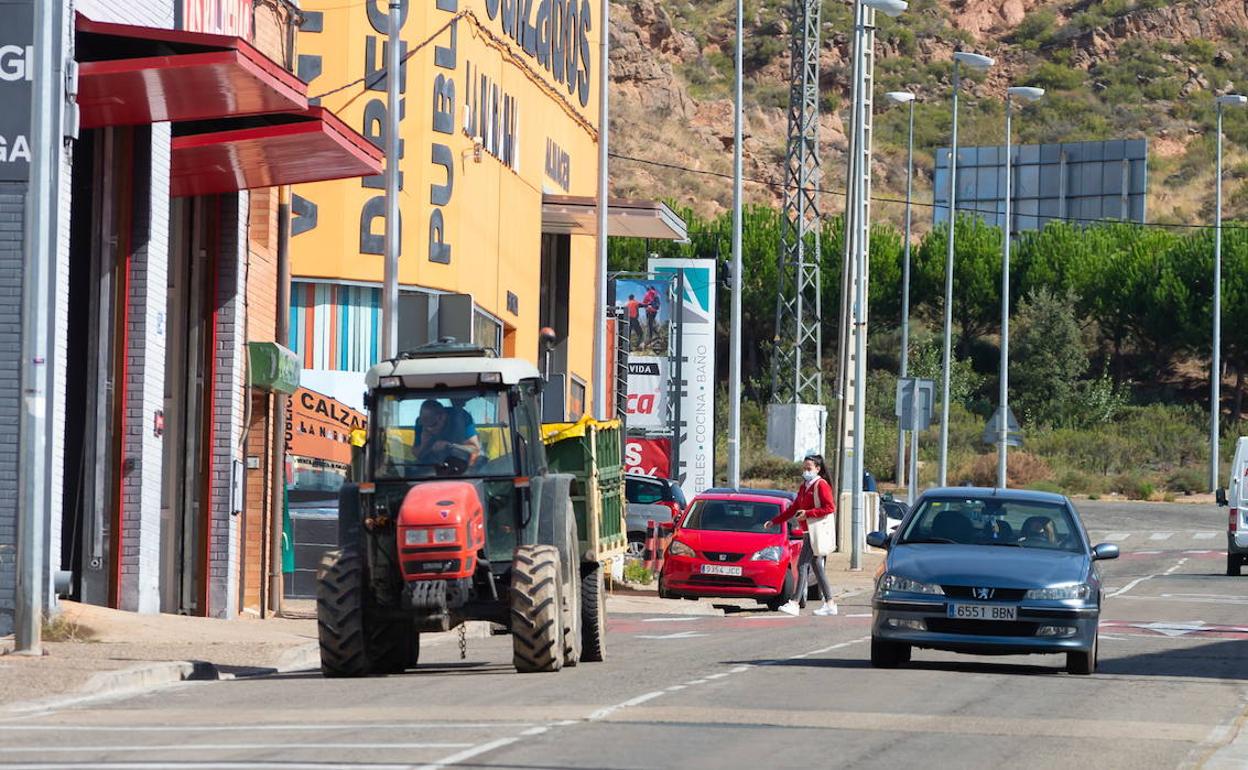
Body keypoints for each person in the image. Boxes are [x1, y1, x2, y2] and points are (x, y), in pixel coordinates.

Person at [767, 454, 837, 617]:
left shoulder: (821, 485)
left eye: (809, 468)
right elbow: (793, 509)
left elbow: (830, 508)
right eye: (804, 468)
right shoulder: (805, 486)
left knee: (802, 565)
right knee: (817, 567)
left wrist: (808, 513)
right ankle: (830, 603)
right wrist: (775, 521)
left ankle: (795, 602)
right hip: (808, 531)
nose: (806, 471)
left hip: (815, 531)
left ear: (817, 469)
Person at [413, 400, 481, 468]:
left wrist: (449, 446)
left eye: (433, 425)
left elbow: (475, 449)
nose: (429, 429)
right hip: (432, 468)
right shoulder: (420, 422)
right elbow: (417, 453)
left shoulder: (462, 418)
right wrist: (424, 445)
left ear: (443, 417)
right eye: (425, 427)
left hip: (461, 466)